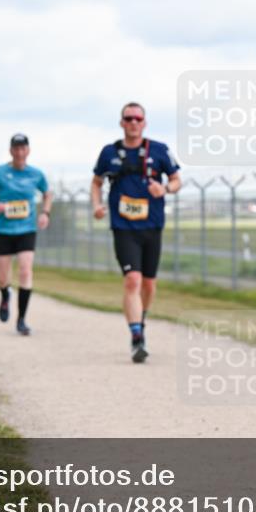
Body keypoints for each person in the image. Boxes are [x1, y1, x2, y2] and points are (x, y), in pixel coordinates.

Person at [91, 102, 181, 362]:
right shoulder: (109, 152)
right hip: (123, 227)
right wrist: (97, 205)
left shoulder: (160, 150)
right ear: (121, 122)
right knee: (133, 279)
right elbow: (96, 182)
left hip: (152, 226)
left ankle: (140, 320)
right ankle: (136, 336)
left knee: (149, 285)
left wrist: (164, 189)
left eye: (137, 118)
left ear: (144, 123)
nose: (133, 122)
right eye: (128, 118)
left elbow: (176, 180)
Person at [0, 133, 52, 336]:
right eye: (16, 148)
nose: (20, 152)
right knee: (3, 277)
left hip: (26, 229)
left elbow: (47, 193)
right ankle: (5, 295)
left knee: (25, 271)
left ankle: (21, 319)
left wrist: (45, 213)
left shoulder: (36, 174)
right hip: (3, 230)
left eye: (23, 148)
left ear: (28, 150)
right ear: (11, 150)